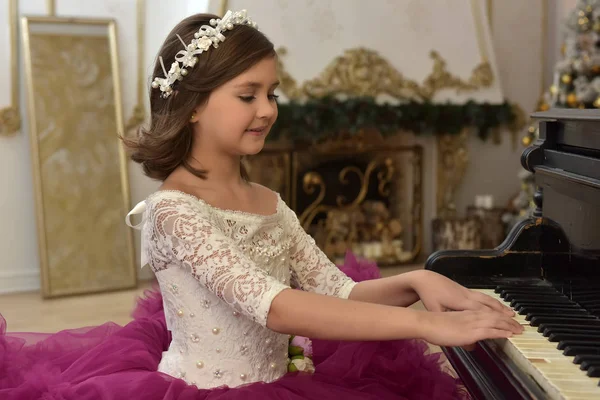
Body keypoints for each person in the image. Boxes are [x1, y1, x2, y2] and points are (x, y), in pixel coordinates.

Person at [0, 10, 522, 400]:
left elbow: (337, 291)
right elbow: (275, 307)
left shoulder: (269, 203)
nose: (267, 110)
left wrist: (416, 281)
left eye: (272, 93)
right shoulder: (174, 210)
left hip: (281, 380)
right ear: (194, 105)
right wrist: (425, 325)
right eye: (247, 95)